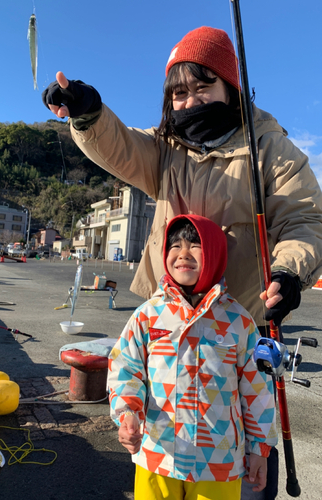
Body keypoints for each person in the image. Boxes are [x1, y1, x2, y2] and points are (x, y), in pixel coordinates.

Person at [43, 26, 322, 498]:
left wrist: (290, 272)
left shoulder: (270, 148)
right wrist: (89, 114)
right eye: (178, 93)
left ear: (230, 87)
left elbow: (305, 220)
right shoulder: (165, 149)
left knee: (248, 437)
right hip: (169, 317)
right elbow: (121, 146)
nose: (190, 103)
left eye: (202, 87)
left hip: (239, 320)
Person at [108, 214, 277, 500]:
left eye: (195, 245)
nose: (183, 253)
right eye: (175, 246)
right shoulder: (148, 315)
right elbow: (126, 368)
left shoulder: (239, 320)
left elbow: (257, 387)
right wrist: (127, 413)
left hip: (219, 461)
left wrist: (260, 448)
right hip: (157, 456)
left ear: (215, 253)